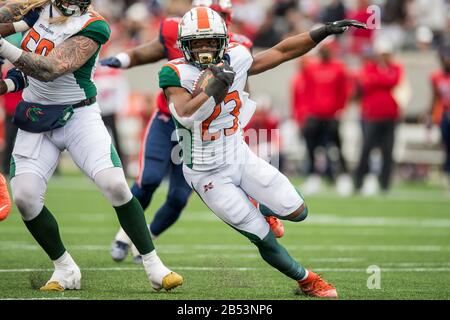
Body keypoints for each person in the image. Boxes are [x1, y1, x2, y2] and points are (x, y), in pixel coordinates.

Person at [161, 6, 365, 297]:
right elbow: (183, 114)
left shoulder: (237, 56)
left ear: (223, 41)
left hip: (239, 156)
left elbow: (281, 52)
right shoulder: (175, 73)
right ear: (184, 45)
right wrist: (211, 88)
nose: (205, 48)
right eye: (197, 42)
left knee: (299, 211)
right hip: (207, 173)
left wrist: (322, 31)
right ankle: (308, 281)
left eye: (210, 41)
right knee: (264, 238)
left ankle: (261, 206)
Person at [0, 0, 182, 292]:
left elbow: (52, 68)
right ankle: (64, 268)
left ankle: (154, 265)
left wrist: (3, 47)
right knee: (25, 197)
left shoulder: (94, 24)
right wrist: (6, 82)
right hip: (36, 113)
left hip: (78, 114)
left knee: (115, 185)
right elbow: (18, 53)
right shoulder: (34, 8)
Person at [101, 0, 283, 264]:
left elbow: (244, 86)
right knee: (149, 179)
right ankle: (124, 236)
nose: (212, 22)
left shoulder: (238, 46)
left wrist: (235, 122)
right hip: (169, 121)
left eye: (220, 15)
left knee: (177, 197)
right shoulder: (175, 30)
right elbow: (147, 52)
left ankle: (146, 242)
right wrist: (122, 59)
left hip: (204, 135)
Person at [292, 42, 352, 196]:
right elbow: (306, 92)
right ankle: (314, 176)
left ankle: (343, 177)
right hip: (314, 115)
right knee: (312, 147)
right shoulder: (311, 69)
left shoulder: (339, 68)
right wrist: (305, 113)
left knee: (336, 147)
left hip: (332, 115)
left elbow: (344, 91)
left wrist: (341, 110)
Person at [353, 39, 402, 195]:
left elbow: (394, 81)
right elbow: (367, 82)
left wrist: (378, 79)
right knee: (366, 149)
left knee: (388, 150)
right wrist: (382, 79)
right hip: (371, 115)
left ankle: (385, 184)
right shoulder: (369, 68)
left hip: (389, 115)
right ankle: (359, 181)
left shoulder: (395, 68)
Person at [428, 41, 450, 191]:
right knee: (447, 148)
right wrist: (431, 115)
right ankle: (447, 179)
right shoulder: (437, 77)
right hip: (445, 115)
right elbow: (435, 98)